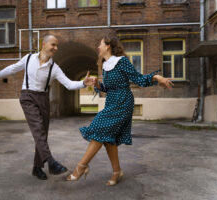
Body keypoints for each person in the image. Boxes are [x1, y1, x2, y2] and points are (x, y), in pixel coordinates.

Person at [0, 35, 95, 180]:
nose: (56, 48)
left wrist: (83, 83)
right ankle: (51, 162)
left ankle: (37, 167)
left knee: (42, 133)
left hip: (43, 99)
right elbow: (12, 69)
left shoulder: (54, 68)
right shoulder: (28, 59)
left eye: (57, 46)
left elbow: (68, 84)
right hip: (27, 97)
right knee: (37, 129)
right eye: (53, 45)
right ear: (44, 44)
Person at [66, 35, 174, 186]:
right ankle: (117, 172)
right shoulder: (105, 65)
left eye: (100, 44)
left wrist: (156, 77)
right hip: (111, 101)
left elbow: (139, 79)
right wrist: (97, 84)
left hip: (123, 101)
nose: (98, 47)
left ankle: (81, 167)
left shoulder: (121, 61)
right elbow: (108, 88)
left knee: (99, 128)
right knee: (108, 139)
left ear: (108, 46)